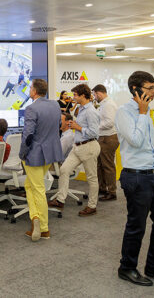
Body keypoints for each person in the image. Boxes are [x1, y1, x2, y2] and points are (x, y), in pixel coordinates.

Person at [115, 71, 154, 287]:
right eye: (150, 88)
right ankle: (127, 267)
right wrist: (142, 114)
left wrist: (144, 112)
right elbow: (135, 140)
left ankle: (153, 266)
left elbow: (148, 145)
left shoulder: (147, 111)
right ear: (136, 90)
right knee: (137, 225)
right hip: (136, 176)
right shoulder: (124, 112)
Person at [19, 79, 63, 241]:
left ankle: (43, 228)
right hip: (50, 153)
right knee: (29, 185)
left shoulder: (31, 108)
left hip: (34, 155)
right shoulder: (55, 105)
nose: (29, 90)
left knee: (37, 189)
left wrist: (22, 154)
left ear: (34, 91)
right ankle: (35, 217)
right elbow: (57, 127)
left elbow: (28, 136)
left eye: (30, 88)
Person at [49, 83, 100, 216]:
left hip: (88, 146)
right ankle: (60, 200)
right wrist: (76, 126)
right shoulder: (81, 109)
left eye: (76, 95)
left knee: (92, 178)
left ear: (83, 95)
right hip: (77, 146)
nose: (73, 97)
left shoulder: (91, 111)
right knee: (64, 170)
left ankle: (92, 206)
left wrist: (78, 128)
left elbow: (94, 133)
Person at [93, 84, 120, 201]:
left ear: (99, 93)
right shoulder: (104, 104)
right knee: (100, 165)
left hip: (108, 138)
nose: (94, 97)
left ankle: (112, 192)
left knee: (108, 165)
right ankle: (102, 188)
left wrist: (95, 127)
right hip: (103, 137)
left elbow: (109, 122)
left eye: (94, 95)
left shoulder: (108, 105)